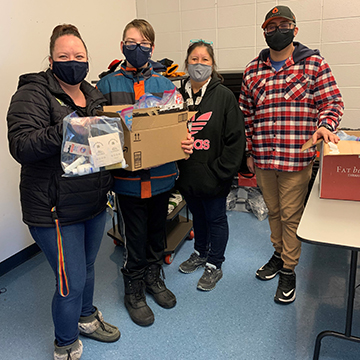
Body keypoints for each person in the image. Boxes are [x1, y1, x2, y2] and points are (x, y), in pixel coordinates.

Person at [7, 24, 120, 360]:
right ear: (52, 59)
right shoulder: (32, 93)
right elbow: (22, 145)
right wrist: (67, 129)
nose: (73, 61)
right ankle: (66, 344)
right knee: (69, 280)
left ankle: (86, 319)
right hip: (54, 207)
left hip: (92, 201)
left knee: (86, 267)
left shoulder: (94, 94)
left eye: (79, 56)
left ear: (87, 59)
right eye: (64, 56)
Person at [239, 5, 344, 304]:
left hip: (295, 159)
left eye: (283, 25)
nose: (277, 31)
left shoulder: (313, 64)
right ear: (264, 31)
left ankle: (289, 269)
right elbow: (246, 114)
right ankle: (278, 253)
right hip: (262, 158)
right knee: (273, 212)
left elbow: (333, 102)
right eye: (270, 27)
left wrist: (325, 125)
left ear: (295, 29)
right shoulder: (252, 70)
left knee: (290, 216)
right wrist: (249, 150)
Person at [96, 19, 193, 327]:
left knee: (156, 233)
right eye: (130, 42)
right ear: (121, 45)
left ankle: (154, 278)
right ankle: (133, 289)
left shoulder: (165, 85)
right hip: (127, 183)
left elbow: (180, 127)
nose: (136, 49)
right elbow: (98, 134)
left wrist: (186, 141)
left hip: (162, 177)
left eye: (143, 44)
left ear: (152, 48)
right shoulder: (107, 85)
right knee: (133, 239)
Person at [177, 40, 245, 291]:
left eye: (205, 60)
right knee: (198, 218)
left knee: (216, 218)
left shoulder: (224, 96)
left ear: (213, 65)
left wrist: (220, 172)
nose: (199, 64)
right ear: (186, 63)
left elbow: (236, 140)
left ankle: (214, 264)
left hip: (214, 176)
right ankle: (200, 252)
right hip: (187, 175)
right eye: (194, 59)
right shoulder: (176, 97)